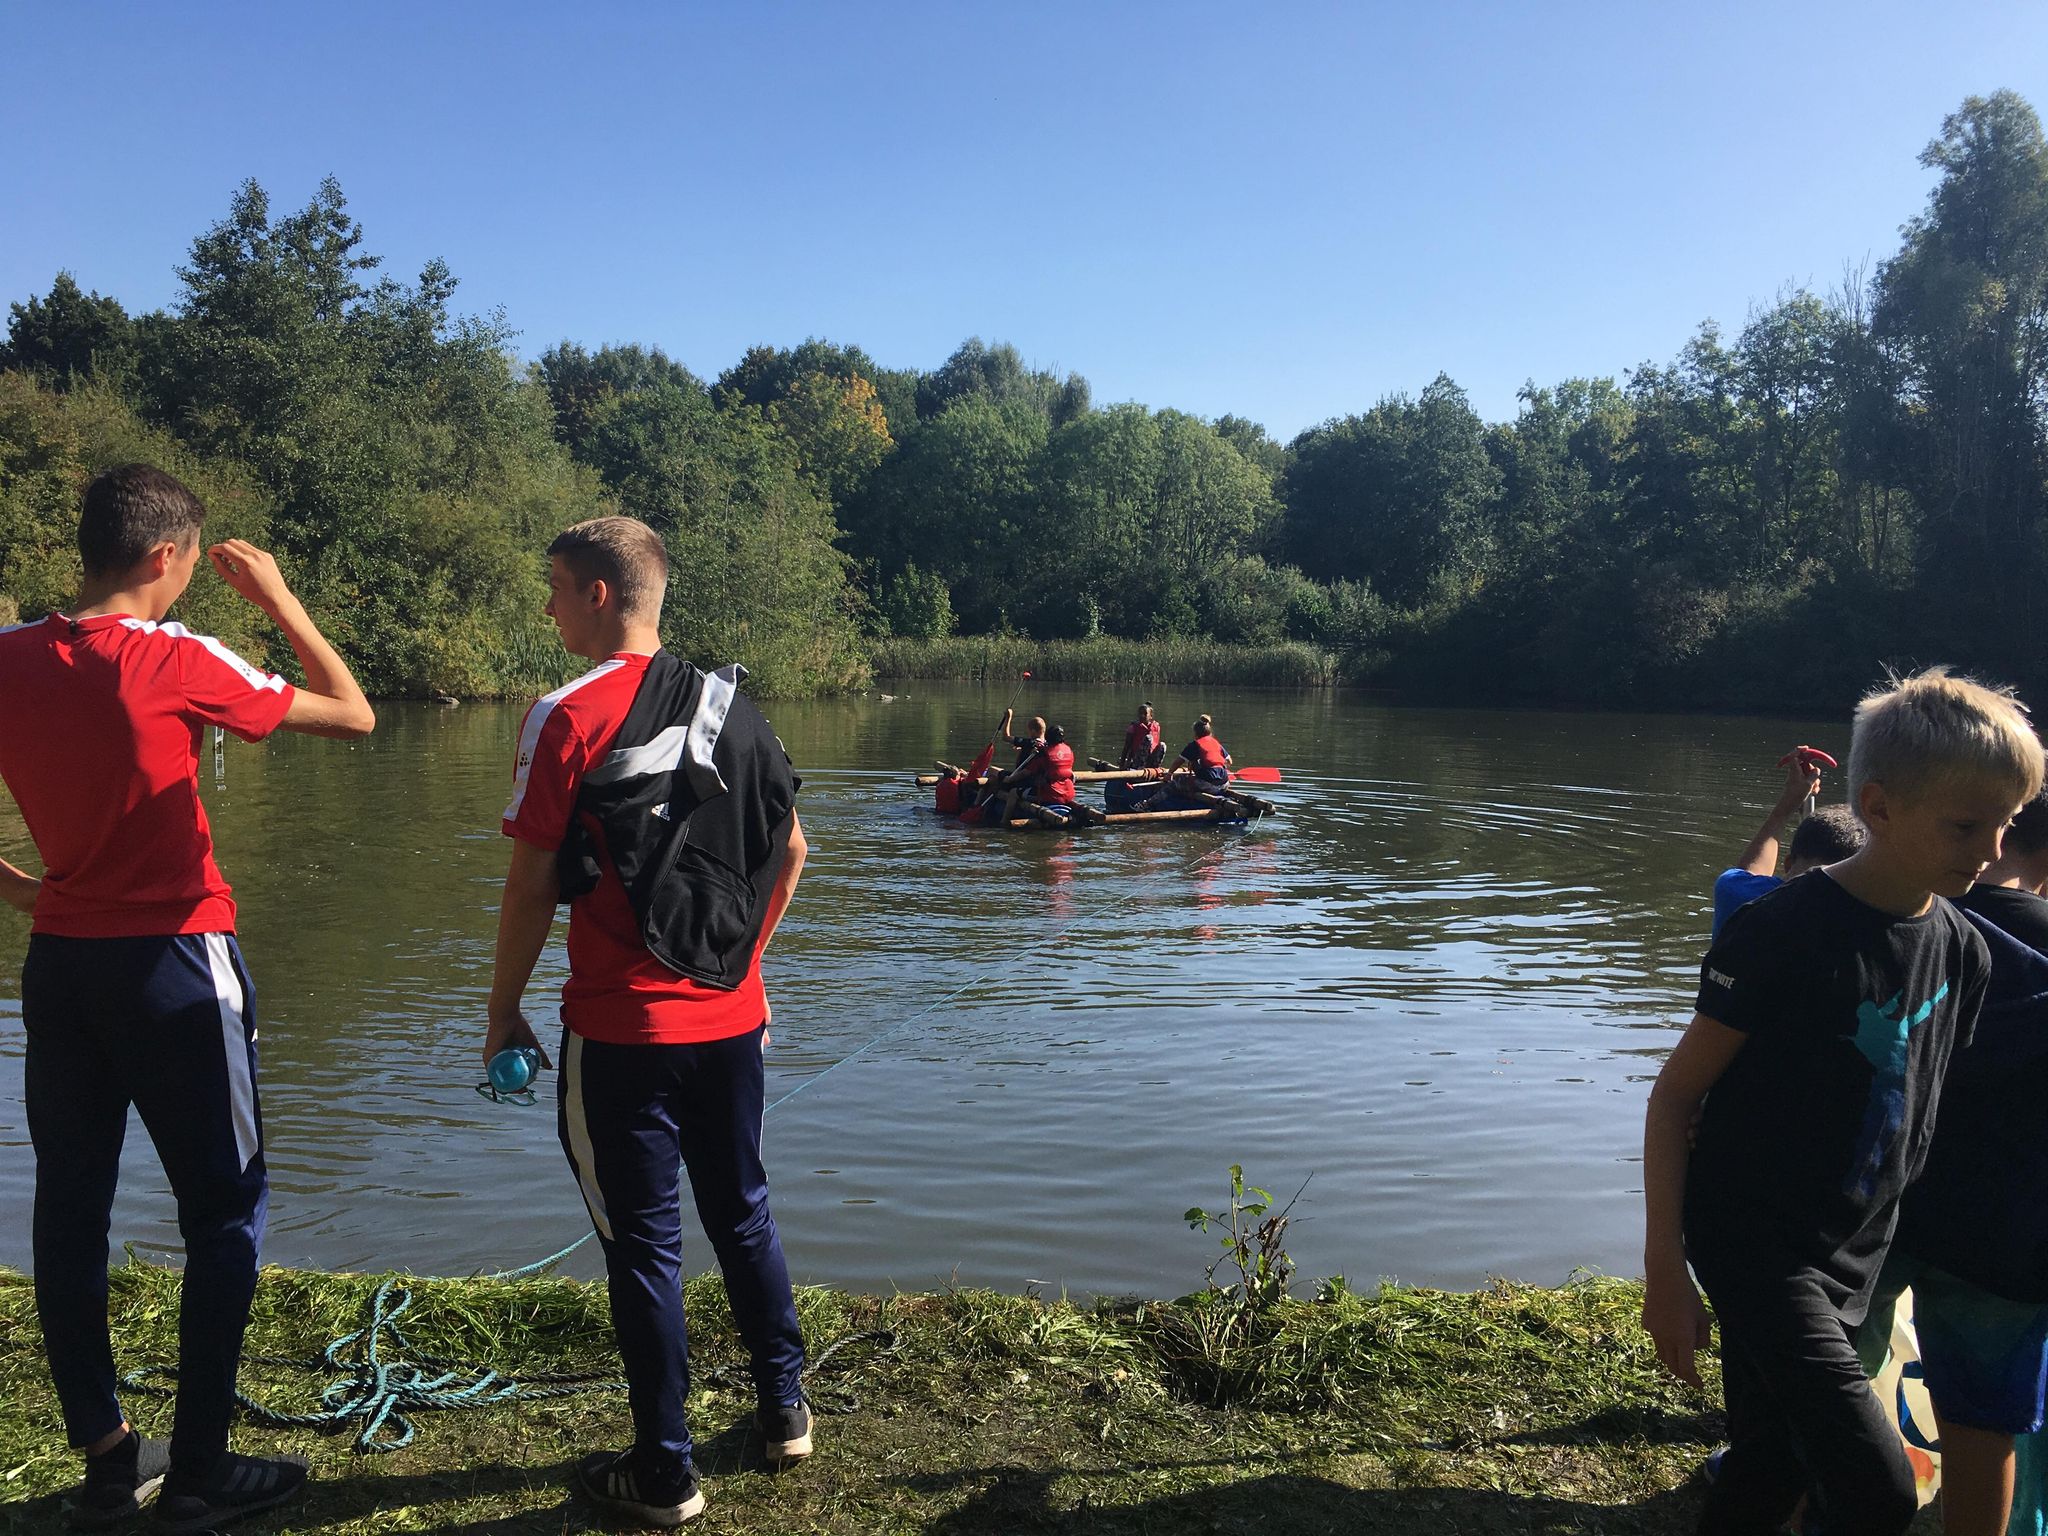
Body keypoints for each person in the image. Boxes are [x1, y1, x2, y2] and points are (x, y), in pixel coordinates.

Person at [0, 464, 375, 1532]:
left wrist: (29, 889)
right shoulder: (174, 655)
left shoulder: (6, 657)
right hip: (175, 965)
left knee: (69, 1208)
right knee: (225, 1210)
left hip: (62, 969)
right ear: (166, 556)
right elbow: (354, 716)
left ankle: (108, 1462)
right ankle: (199, 1474)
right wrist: (279, 599)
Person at [1642, 666, 2043, 1536]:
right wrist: (1665, 1270)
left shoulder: (1966, 952)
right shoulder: (1780, 930)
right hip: (1756, 1245)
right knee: (1879, 1489)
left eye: (2006, 824)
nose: (1989, 849)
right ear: (1879, 807)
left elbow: (1917, 1110)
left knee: (1770, 1464)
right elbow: (1675, 1098)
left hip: (1855, 1253)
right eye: (1966, 825)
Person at [487, 516, 811, 1529]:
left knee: (643, 1248)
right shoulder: (734, 709)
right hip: (733, 1022)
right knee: (744, 1212)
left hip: (622, 1035)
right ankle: (784, 1411)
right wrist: (746, 968)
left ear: (598, 594)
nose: (547, 606)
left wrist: (501, 1013)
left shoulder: (564, 715)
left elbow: (532, 884)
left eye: (555, 587)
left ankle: (665, 1473)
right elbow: (792, 851)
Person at [1853, 787, 2048, 1536]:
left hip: (1876, 1208)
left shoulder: (1898, 918)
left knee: (1834, 1390)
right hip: (2010, 1233)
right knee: (1984, 1421)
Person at [1713, 745, 1867, 938]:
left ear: (1788, 864)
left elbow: (1749, 876)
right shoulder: (1855, 927)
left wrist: (1787, 804)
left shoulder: (1732, 893)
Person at [1119, 702, 1164, 770]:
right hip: (1137, 761)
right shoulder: (1133, 727)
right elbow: (1126, 747)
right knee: (1148, 738)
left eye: (1145, 714)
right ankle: (1140, 767)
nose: (1142, 715)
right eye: (1140, 713)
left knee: (1162, 745)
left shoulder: (1156, 727)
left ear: (1151, 716)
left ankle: (1155, 767)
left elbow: (1156, 745)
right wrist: (1122, 764)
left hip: (1151, 761)